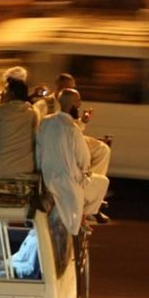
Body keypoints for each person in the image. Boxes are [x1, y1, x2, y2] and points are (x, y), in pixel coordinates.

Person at [36, 89, 109, 235]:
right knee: (102, 182)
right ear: (70, 105)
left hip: (47, 177)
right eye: (78, 102)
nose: (80, 105)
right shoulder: (72, 128)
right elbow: (84, 158)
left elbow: (39, 149)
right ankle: (83, 216)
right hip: (68, 181)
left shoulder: (45, 122)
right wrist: (85, 173)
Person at [35, 73, 112, 184]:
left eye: (72, 87)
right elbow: (37, 130)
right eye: (67, 87)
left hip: (70, 139)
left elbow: (73, 129)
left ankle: (92, 183)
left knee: (102, 149)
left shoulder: (70, 106)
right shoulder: (44, 105)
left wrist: (83, 121)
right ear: (58, 85)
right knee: (86, 155)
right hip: (54, 143)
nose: (70, 90)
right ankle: (86, 183)